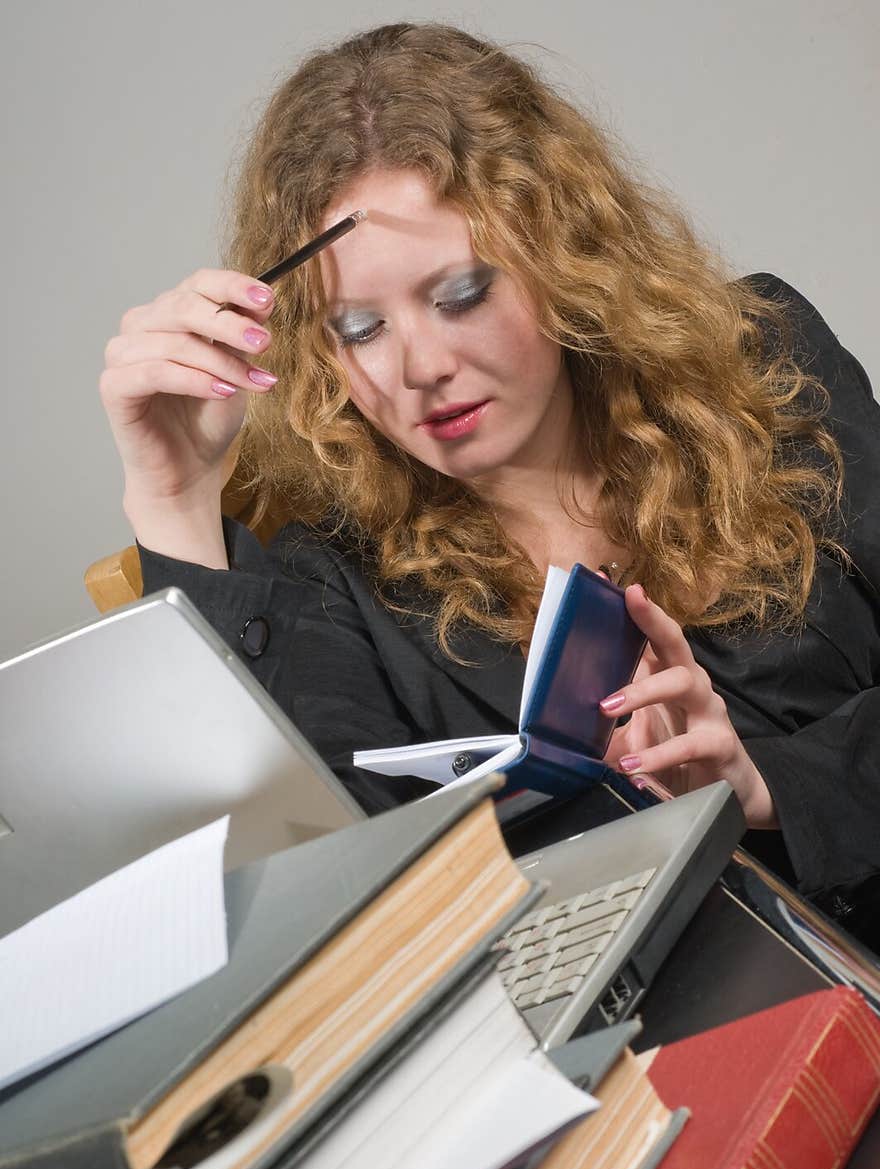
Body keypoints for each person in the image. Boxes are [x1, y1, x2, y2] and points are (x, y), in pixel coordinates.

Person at [99, 22, 880, 946]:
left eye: (461, 294)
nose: (421, 366)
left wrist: (768, 785)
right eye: (359, 329)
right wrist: (175, 499)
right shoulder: (331, 569)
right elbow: (302, 893)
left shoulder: (764, 365)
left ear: (563, 254)